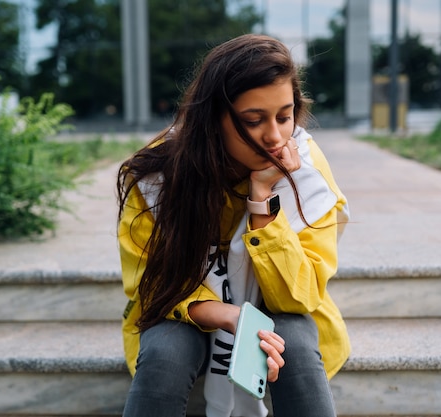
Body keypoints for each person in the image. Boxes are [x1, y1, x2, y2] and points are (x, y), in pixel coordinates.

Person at [116, 33, 351, 417]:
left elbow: (299, 297)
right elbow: (152, 285)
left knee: (291, 333)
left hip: (279, 309)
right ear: (213, 121)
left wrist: (262, 200)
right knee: (165, 350)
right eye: (253, 120)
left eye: (284, 116)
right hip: (184, 311)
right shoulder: (158, 178)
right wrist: (227, 314)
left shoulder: (305, 171)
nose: (275, 137)